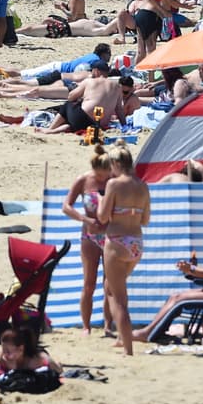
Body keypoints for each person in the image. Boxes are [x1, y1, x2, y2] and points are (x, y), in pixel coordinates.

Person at [132, 211, 203, 343]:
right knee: (174, 297)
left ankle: (148, 332)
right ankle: (156, 331)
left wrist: (192, 269)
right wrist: (192, 270)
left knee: (178, 298)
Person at [97, 145, 149, 356]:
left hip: (117, 242)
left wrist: (101, 201)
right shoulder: (143, 186)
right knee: (112, 288)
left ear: (117, 164)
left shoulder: (114, 185)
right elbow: (145, 220)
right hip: (136, 242)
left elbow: (102, 217)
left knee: (118, 297)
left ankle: (128, 348)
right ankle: (121, 337)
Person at [61, 147, 113, 335]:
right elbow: (66, 206)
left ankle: (108, 325)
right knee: (89, 282)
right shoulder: (83, 180)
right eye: (98, 175)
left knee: (110, 283)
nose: (101, 179)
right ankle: (86, 326)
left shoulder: (114, 181)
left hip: (110, 235)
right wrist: (84, 219)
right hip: (89, 235)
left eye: (104, 175)